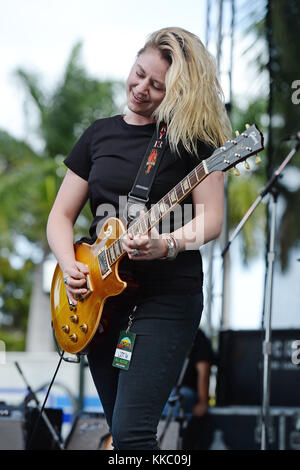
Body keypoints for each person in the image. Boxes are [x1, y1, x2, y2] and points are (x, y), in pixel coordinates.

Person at [46, 26, 232, 450]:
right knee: (120, 434)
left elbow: (212, 220)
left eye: (157, 85)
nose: (141, 88)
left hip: (166, 294)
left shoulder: (196, 141)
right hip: (98, 298)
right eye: (139, 73)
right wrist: (70, 264)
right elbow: (60, 215)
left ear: (179, 92)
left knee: (132, 434)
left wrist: (166, 244)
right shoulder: (99, 134)